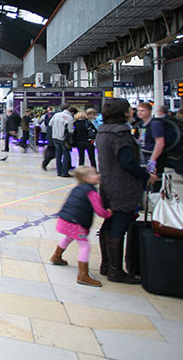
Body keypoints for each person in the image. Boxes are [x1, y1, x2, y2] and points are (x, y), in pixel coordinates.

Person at [96, 98, 158, 284]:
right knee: (119, 225)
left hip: (107, 184)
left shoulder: (103, 131)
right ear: (122, 112)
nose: (133, 112)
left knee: (108, 223)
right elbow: (128, 163)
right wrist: (147, 176)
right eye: (130, 109)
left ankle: (106, 264)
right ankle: (116, 270)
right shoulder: (121, 134)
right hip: (123, 186)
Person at [49, 166, 111, 287]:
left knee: (69, 237)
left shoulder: (77, 188)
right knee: (85, 247)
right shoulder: (91, 192)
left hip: (65, 219)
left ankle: (57, 256)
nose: (98, 176)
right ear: (86, 178)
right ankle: (83, 275)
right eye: (94, 174)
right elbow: (99, 211)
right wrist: (108, 213)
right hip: (76, 223)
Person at [137, 103, 181, 188]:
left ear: (150, 111)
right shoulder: (142, 125)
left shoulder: (155, 124)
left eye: (142, 111)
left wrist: (152, 160)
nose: (139, 113)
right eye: (138, 110)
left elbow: (160, 142)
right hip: (145, 157)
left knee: (154, 185)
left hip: (153, 158)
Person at [49, 104, 75, 178]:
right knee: (66, 154)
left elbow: (50, 125)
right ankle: (64, 172)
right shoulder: (69, 118)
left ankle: (59, 171)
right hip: (64, 139)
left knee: (58, 155)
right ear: (72, 113)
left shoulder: (56, 115)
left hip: (55, 137)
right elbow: (71, 130)